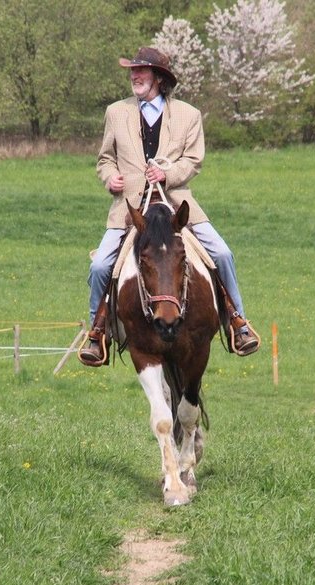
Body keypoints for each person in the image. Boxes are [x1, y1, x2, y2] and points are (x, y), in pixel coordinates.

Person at [78, 46, 259, 366]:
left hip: (177, 206)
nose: (134, 76)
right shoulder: (115, 112)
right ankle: (97, 332)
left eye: (141, 71)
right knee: (100, 266)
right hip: (130, 211)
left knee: (221, 253)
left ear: (159, 78)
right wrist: (110, 178)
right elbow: (105, 158)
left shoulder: (189, 115)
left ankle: (237, 322)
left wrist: (167, 173)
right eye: (132, 71)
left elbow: (193, 161)